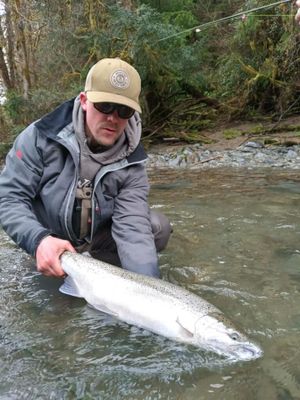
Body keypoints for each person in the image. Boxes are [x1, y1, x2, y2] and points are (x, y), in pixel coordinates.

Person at [0, 58, 172, 279]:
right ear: (84, 100)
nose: (112, 117)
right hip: (46, 233)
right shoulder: (39, 137)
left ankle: (94, 267)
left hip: (96, 239)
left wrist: (149, 286)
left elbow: (132, 228)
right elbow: (8, 198)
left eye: (124, 110)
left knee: (158, 228)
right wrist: (38, 240)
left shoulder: (133, 163)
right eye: (104, 106)